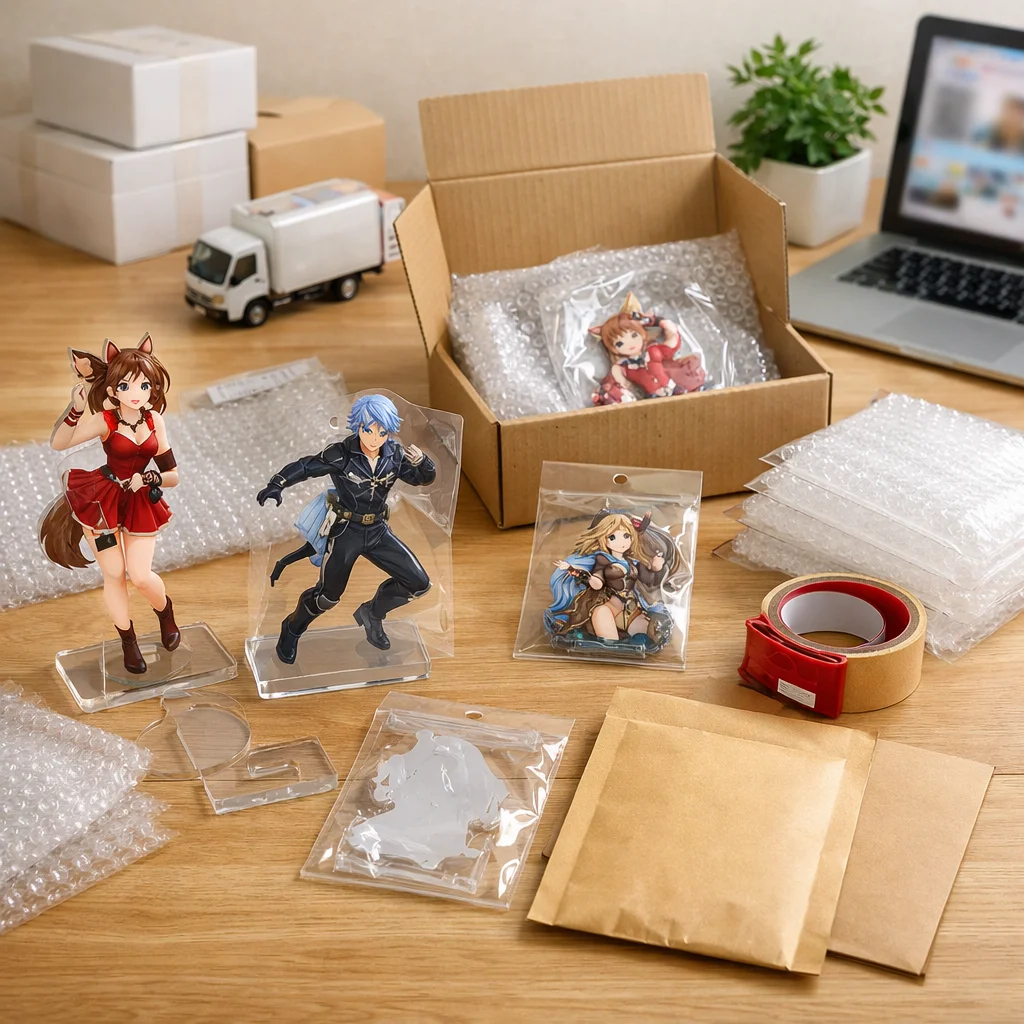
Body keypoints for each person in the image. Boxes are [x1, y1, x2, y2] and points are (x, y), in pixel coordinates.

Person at [39, 334, 180, 675]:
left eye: (145, 385)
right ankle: (128, 641)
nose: (137, 393)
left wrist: (149, 479)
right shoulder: (106, 419)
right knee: (114, 573)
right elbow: (60, 443)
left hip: (140, 502)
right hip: (101, 502)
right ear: (114, 389)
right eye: (127, 386)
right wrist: (75, 409)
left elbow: (173, 475)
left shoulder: (154, 421)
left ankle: (165, 613)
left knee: (141, 576)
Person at [257, 394, 435, 664]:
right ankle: (292, 628)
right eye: (368, 430)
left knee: (418, 584)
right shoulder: (341, 454)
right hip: (346, 531)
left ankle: (372, 614)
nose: (375, 438)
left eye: (382, 432)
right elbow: (306, 466)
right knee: (327, 597)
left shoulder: (394, 454)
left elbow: (421, 479)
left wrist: (423, 462)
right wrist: (278, 483)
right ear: (358, 425)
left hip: (377, 530)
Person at [545, 509, 676, 653]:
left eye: (626, 536)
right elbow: (597, 581)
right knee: (611, 644)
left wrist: (656, 567)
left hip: (631, 610)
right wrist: (577, 572)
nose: (621, 542)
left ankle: (626, 645)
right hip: (607, 608)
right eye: (613, 537)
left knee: (652, 636)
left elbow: (648, 580)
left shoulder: (633, 562)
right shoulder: (603, 559)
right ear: (604, 538)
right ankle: (597, 643)